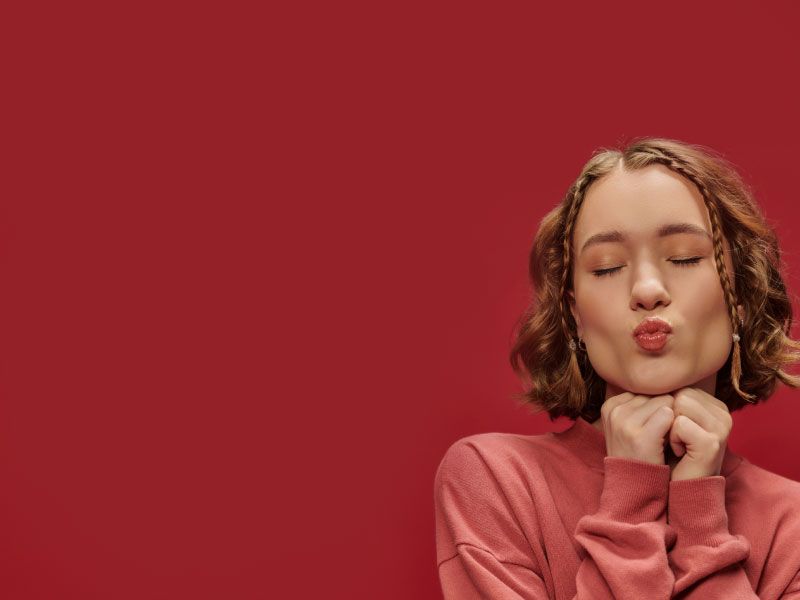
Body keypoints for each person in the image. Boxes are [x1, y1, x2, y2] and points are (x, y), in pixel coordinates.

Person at [433, 137, 800, 599]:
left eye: (685, 258)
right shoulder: (495, 480)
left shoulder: (793, 526)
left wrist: (701, 521)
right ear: (575, 316)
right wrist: (630, 500)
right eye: (606, 268)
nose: (646, 289)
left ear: (741, 299)